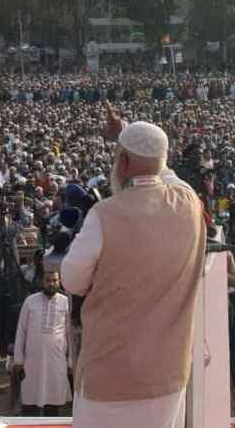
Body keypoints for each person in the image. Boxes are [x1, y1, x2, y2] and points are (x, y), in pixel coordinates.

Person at [62, 118, 206, 428]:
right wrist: (132, 137)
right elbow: (166, 172)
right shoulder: (190, 204)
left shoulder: (104, 214)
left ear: (123, 161)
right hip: (167, 372)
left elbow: (72, 280)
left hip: (110, 373)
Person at [13, 270, 72, 417]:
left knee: (52, 406)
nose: (51, 283)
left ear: (59, 281)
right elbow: (21, 331)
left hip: (56, 361)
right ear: (42, 281)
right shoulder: (30, 301)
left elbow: (70, 334)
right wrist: (18, 360)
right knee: (29, 404)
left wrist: (70, 362)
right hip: (32, 362)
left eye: (54, 280)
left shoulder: (66, 302)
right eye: (48, 280)